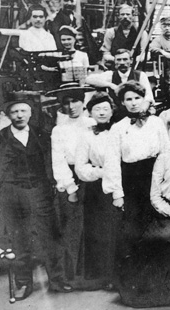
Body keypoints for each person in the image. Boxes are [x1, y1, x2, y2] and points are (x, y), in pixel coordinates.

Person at [0, 100, 71, 300]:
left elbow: (56, 162)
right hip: (11, 195)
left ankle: (58, 279)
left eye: (24, 111)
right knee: (18, 238)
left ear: (30, 113)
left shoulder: (43, 136)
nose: (19, 115)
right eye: (14, 111)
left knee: (50, 235)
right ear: (8, 115)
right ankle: (23, 283)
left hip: (41, 191)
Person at [118, 115, 170, 307]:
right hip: (166, 212)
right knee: (151, 239)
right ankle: (156, 291)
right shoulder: (162, 159)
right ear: (169, 137)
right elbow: (155, 196)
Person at [104, 81, 169, 257]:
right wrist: (117, 193)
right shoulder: (118, 128)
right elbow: (112, 162)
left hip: (154, 176)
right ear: (122, 103)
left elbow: (166, 152)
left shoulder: (156, 123)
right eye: (129, 99)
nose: (133, 102)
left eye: (137, 98)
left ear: (143, 99)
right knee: (133, 226)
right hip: (131, 180)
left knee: (157, 221)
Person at [47, 83, 96, 288]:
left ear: (82, 102)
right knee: (71, 228)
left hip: (94, 176)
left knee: (95, 225)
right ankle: (72, 277)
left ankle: (96, 275)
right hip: (72, 179)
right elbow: (58, 160)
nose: (71, 106)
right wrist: (69, 187)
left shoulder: (93, 122)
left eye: (75, 101)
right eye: (66, 102)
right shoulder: (59, 130)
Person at [73, 92, 122, 291]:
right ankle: (108, 275)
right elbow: (80, 166)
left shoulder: (120, 130)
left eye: (105, 108)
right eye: (97, 109)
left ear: (112, 111)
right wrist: (101, 173)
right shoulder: (86, 135)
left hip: (126, 184)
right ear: (90, 112)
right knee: (104, 233)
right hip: (99, 190)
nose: (102, 113)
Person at [85, 48, 155, 114]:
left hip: (137, 111)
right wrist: (110, 85)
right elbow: (88, 79)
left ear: (131, 61)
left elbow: (148, 97)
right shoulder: (110, 75)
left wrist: (142, 110)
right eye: (118, 60)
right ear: (115, 61)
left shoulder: (140, 75)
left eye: (125, 59)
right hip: (117, 115)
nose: (122, 62)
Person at [50, 0, 98, 64]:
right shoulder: (53, 20)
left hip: (79, 57)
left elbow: (89, 39)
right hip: (60, 57)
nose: (69, 3)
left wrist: (96, 59)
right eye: (66, 0)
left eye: (72, 1)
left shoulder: (79, 19)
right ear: (60, 2)